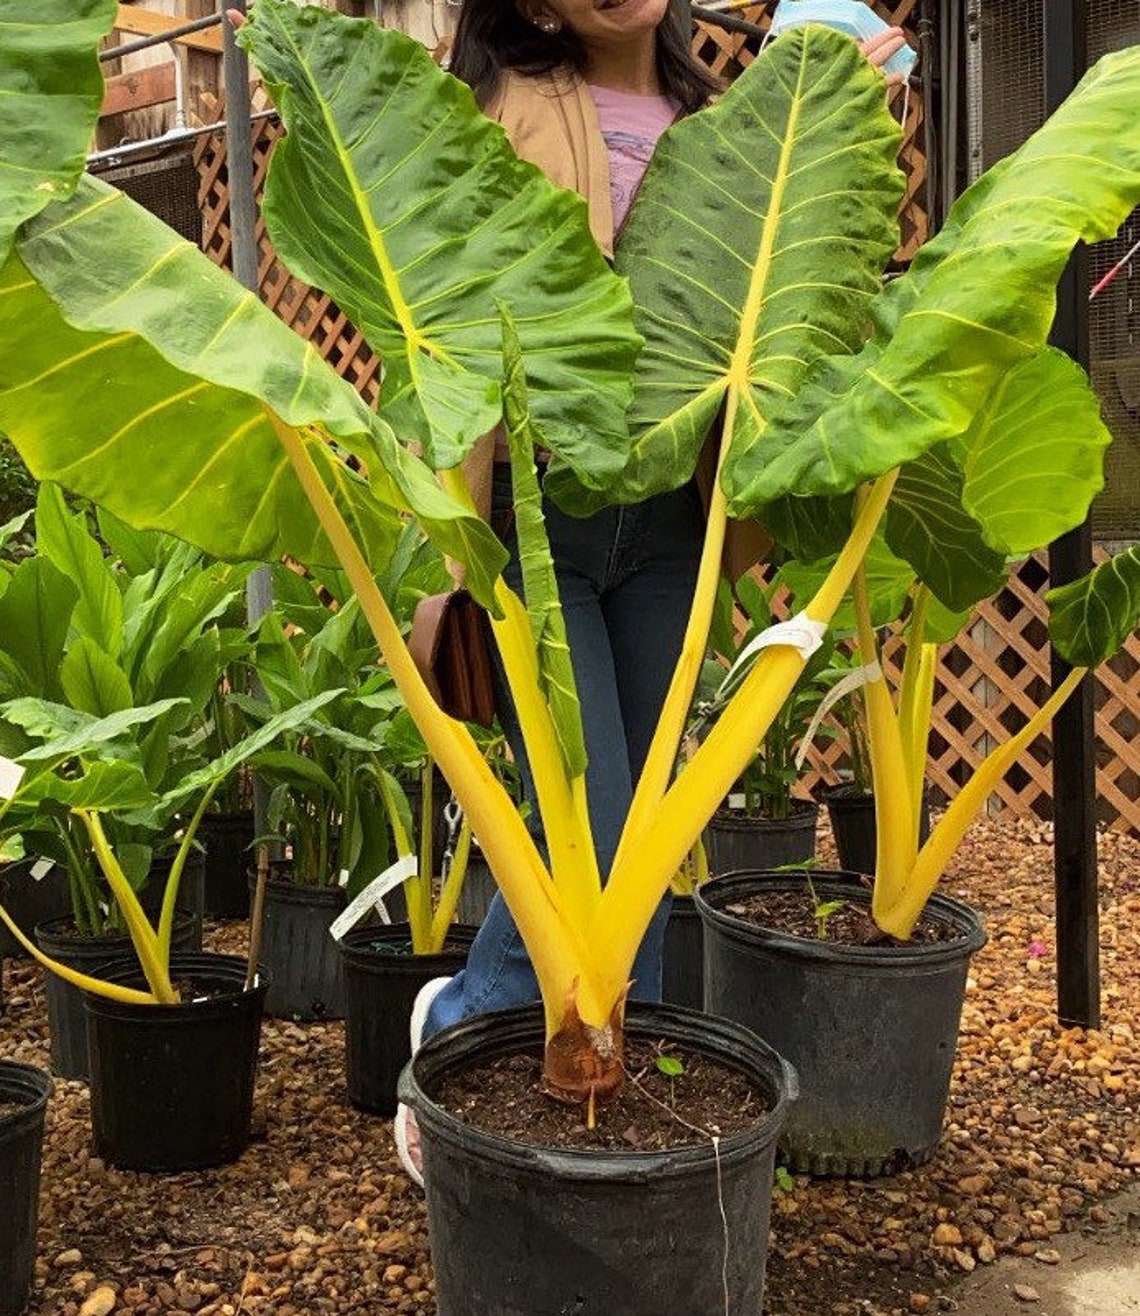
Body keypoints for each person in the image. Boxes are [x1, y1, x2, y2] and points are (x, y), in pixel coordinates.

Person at [229, 0, 908, 1186]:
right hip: (543, 513)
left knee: (649, 808)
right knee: (584, 801)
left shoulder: (721, 113)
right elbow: (441, 282)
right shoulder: (504, 105)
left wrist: (843, 121)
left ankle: (606, 1066)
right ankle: (464, 1030)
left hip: (671, 521)